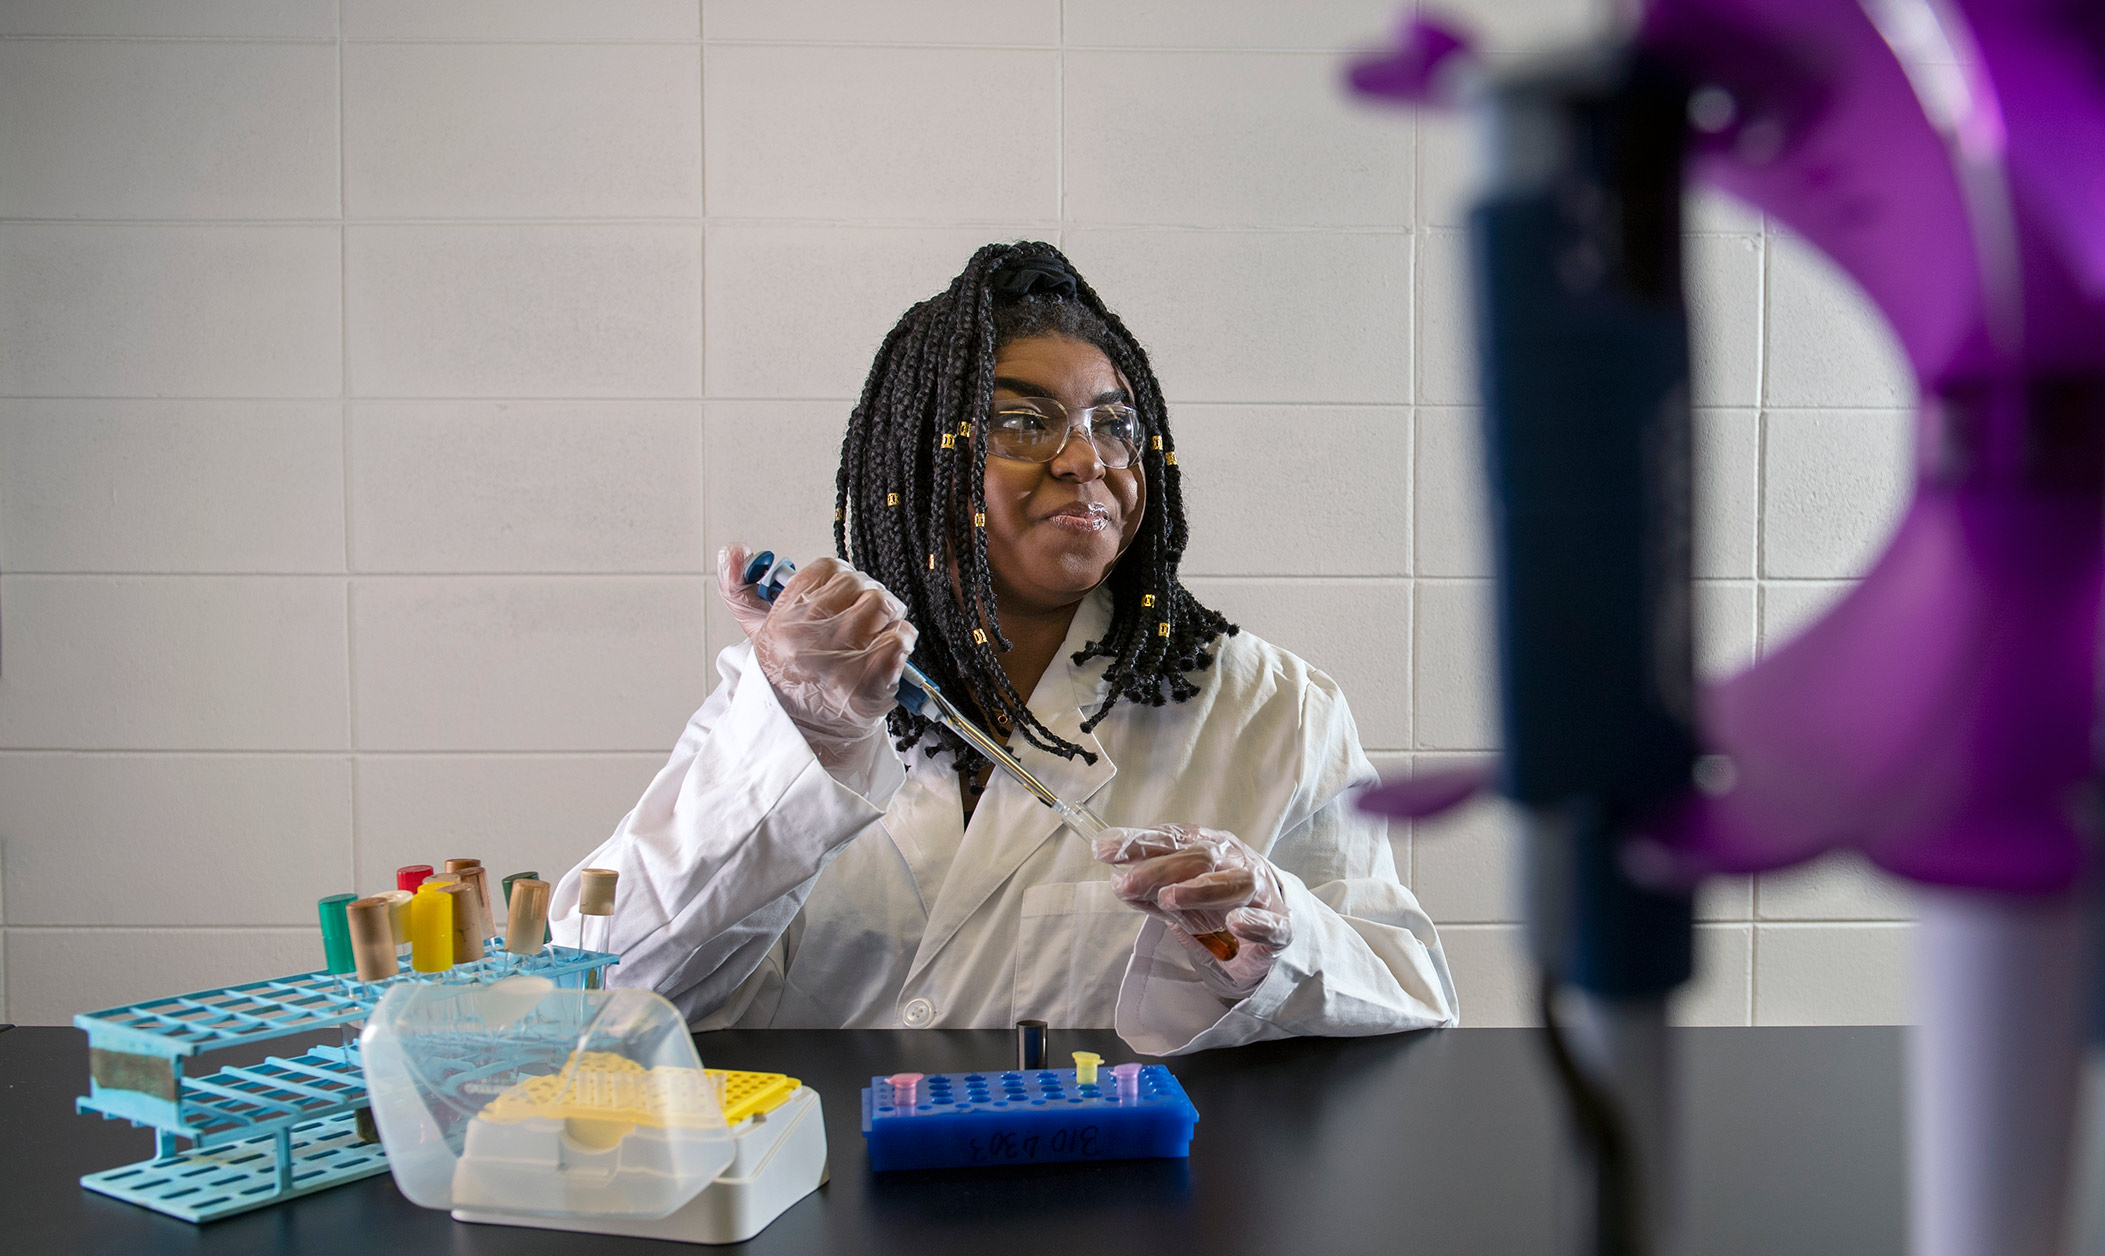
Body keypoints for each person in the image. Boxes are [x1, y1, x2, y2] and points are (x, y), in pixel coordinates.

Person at [552, 242, 1455, 1055]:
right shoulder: (798, 693)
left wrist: (1277, 939)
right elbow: (600, 985)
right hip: (828, 1203)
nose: (1084, 459)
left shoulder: (1269, 710)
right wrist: (797, 734)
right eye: (1023, 423)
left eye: (1113, 425)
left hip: (1123, 1215)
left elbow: (1411, 993)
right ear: (919, 461)